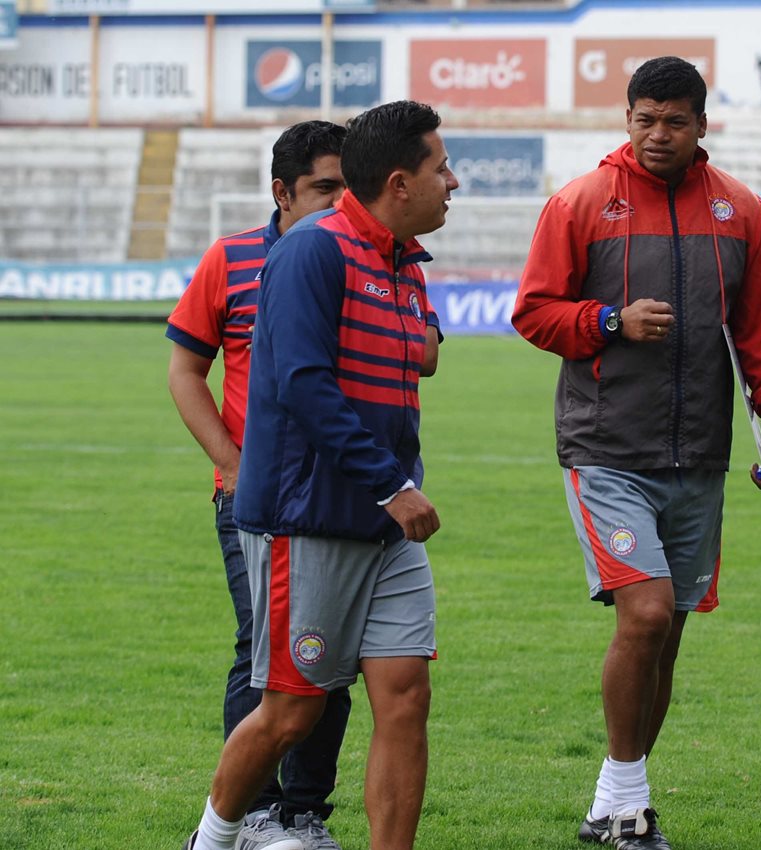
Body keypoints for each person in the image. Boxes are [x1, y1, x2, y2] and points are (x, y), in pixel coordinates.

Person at [511, 57, 761, 850]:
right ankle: (628, 802)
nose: (658, 134)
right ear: (627, 119)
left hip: (700, 454)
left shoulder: (739, 211)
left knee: (665, 630)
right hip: (605, 448)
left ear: (702, 124)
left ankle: (614, 801)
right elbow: (533, 313)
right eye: (645, 119)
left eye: (675, 120)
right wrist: (609, 321)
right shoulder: (580, 202)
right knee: (642, 612)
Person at [180, 99, 458, 850]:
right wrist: (392, 483)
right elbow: (302, 383)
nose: (453, 182)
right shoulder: (312, 252)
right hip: (308, 519)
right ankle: (212, 837)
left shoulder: (404, 264)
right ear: (399, 183)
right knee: (291, 713)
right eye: (441, 168)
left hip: (384, 526)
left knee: (405, 699)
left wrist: (393, 486)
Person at [168, 120, 356, 850]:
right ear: (282, 191)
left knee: (330, 654)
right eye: (325, 188)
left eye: (349, 186)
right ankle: (251, 812)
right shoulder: (233, 257)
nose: (341, 201)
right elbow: (186, 369)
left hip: (347, 492)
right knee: (264, 648)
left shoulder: (376, 256)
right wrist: (232, 461)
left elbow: (428, 350)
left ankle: (303, 813)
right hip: (257, 496)